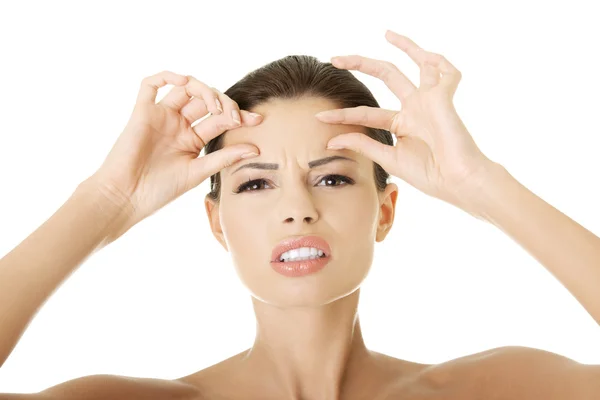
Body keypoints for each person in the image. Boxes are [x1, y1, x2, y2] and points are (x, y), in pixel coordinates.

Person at [0, 29, 598, 399]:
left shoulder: (491, 392)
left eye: (332, 177)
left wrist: (482, 185)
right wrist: (106, 202)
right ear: (216, 222)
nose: (298, 211)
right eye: (256, 183)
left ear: (385, 211)